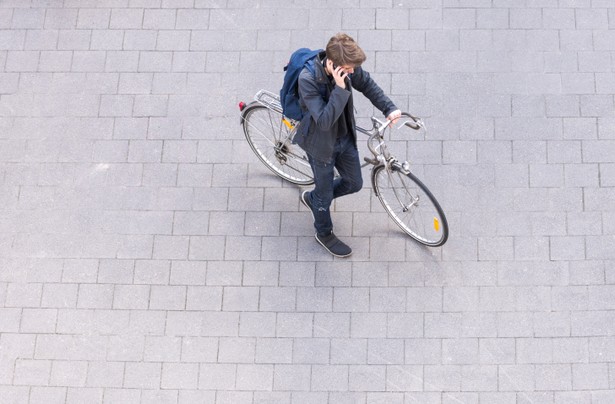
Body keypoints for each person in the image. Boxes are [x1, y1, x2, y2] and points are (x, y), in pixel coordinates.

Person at [294, 33, 401, 257]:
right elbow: (323, 121)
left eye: (353, 69)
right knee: (324, 196)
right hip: (321, 146)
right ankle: (323, 232)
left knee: (354, 183)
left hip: (344, 138)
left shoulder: (348, 68)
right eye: (349, 69)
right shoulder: (308, 79)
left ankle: (314, 199)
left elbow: (367, 85)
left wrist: (389, 108)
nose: (353, 72)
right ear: (332, 64)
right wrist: (340, 89)